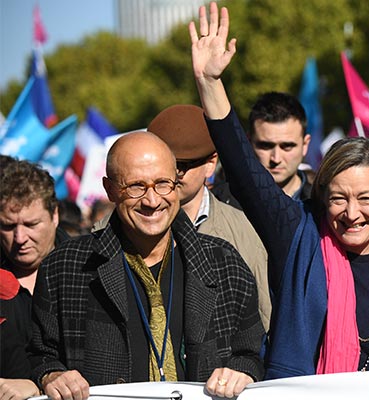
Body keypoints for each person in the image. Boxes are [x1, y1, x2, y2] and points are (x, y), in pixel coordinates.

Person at [188, 3, 369, 397]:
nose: (352, 214)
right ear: (321, 196)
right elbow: (246, 173)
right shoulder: (298, 237)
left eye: (365, 198)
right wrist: (210, 84)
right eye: (338, 199)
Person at [28, 131, 264, 400]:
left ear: (176, 184)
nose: (152, 201)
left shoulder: (224, 263)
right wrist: (52, 375)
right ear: (110, 189)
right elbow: (41, 355)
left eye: (163, 184)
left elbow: (251, 355)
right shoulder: (65, 266)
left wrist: (242, 371)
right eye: (136, 187)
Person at [147, 104, 271, 331]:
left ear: (210, 164)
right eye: (164, 164)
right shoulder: (114, 229)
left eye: (181, 166)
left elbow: (265, 317)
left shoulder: (245, 230)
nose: (170, 176)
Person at [1, 157, 68, 399]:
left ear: (55, 215)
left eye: (31, 224)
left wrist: (39, 385)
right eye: (8, 226)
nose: (20, 238)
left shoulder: (90, 272)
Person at [213, 92, 312, 208]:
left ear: (305, 145)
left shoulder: (322, 207)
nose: (276, 158)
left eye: (287, 146)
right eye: (266, 146)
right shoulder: (220, 203)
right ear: (248, 142)